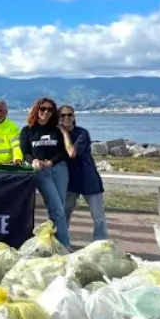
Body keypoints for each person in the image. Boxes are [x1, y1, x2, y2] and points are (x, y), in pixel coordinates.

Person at [20, 97, 74, 249]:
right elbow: (25, 152)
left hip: (60, 169)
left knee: (58, 209)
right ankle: (65, 245)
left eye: (50, 109)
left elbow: (63, 151)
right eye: (43, 108)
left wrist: (52, 162)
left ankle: (53, 242)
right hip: (41, 172)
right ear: (36, 110)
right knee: (56, 207)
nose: (46, 112)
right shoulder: (27, 130)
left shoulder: (56, 130)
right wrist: (34, 161)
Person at [59, 105, 107, 241]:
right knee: (64, 215)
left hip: (88, 179)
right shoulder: (55, 135)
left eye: (69, 115)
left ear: (74, 117)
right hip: (69, 181)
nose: (66, 117)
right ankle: (61, 242)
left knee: (98, 217)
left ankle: (101, 243)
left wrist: (64, 133)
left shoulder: (82, 133)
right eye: (63, 115)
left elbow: (72, 153)